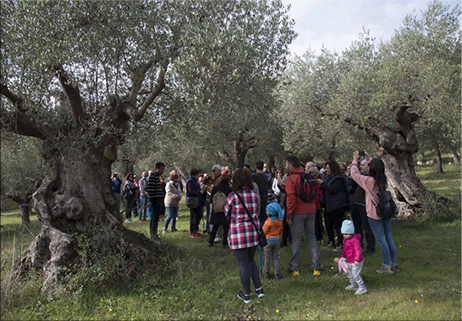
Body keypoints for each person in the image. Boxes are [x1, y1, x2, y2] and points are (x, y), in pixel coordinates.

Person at [349, 151, 398, 274]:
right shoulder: (383, 179)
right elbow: (377, 168)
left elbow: (354, 174)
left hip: (374, 213)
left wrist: (355, 160)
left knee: (381, 240)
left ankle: (386, 266)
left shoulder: (369, 181)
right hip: (386, 211)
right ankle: (394, 263)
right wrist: (368, 159)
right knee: (388, 238)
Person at [225, 168, 264, 304]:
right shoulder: (254, 195)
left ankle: (246, 293)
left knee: (243, 263)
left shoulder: (232, 196)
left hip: (238, 233)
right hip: (253, 232)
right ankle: (259, 289)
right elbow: (257, 211)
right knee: (251, 260)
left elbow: (227, 214)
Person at [285, 156, 322, 277]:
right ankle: (316, 267)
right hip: (311, 210)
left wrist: (289, 214)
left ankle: (294, 267)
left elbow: (291, 198)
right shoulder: (308, 176)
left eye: (286, 164)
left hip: (298, 212)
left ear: (290, 165)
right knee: (312, 238)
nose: (285, 167)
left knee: (296, 240)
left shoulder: (291, 178)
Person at [316, 160, 350, 252]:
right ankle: (331, 241)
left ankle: (340, 243)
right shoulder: (328, 179)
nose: (326, 170)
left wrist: (322, 184)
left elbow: (332, 189)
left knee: (338, 225)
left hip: (337, 205)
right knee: (328, 224)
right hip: (329, 205)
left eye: (328, 168)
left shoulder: (339, 179)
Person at [347, 155, 376, 255]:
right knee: (357, 226)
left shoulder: (369, 178)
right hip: (356, 204)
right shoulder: (362, 176)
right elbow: (351, 184)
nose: (360, 167)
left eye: (363, 165)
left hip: (365, 205)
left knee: (367, 227)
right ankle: (359, 244)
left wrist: (357, 159)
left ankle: (371, 247)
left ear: (369, 166)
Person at [334, 220, 367, 295]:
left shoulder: (355, 240)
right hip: (349, 260)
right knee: (349, 273)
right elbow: (345, 249)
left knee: (355, 274)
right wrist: (342, 257)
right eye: (343, 234)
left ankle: (362, 287)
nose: (345, 236)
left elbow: (358, 250)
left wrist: (357, 259)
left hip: (356, 261)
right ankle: (353, 285)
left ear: (351, 233)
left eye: (346, 234)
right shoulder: (345, 240)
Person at [208, 174, 232, 247]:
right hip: (225, 209)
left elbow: (211, 198)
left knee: (215, 226)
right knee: (226, 227)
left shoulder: (216, 188)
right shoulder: (229, 189)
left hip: (216, 209)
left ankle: (210, 241)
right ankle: (225, 243)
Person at [262, 202, 284, 279]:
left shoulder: (268, 222)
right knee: (275, 257)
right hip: (276, 240)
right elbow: (281, 230)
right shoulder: (280, 221)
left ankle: (266, 272)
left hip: (268, 241)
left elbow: (264, 231)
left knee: (267, 257)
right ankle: (277, 273)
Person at [305, 162, 324, 244]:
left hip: (312, 203)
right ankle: (321, 237)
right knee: (319, 220)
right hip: (319, 203)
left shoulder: (309, 181)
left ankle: (316, 237)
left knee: (314, 222)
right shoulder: (319, 180)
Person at [147, 162, 165, 239]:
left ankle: (155, 233)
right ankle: (153, 234)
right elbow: (150, 189)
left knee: (156, 217)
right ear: (157, 168)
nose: (162, 171)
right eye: (161, 169)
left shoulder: (157, 177)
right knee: (154, 217)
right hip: (155, 200)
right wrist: (152, 199)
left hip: (159, 199)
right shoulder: (153, 176)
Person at [186, 168, 205, 238]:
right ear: (193, 175)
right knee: (195, 216)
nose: (198, 176)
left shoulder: (195, 181)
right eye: (197, 175)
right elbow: (190, 191)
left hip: (198, 201)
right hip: (193, 201)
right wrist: (199, 192)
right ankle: (193, 231)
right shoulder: (190, 181)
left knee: (197, 216)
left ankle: (194, 231)